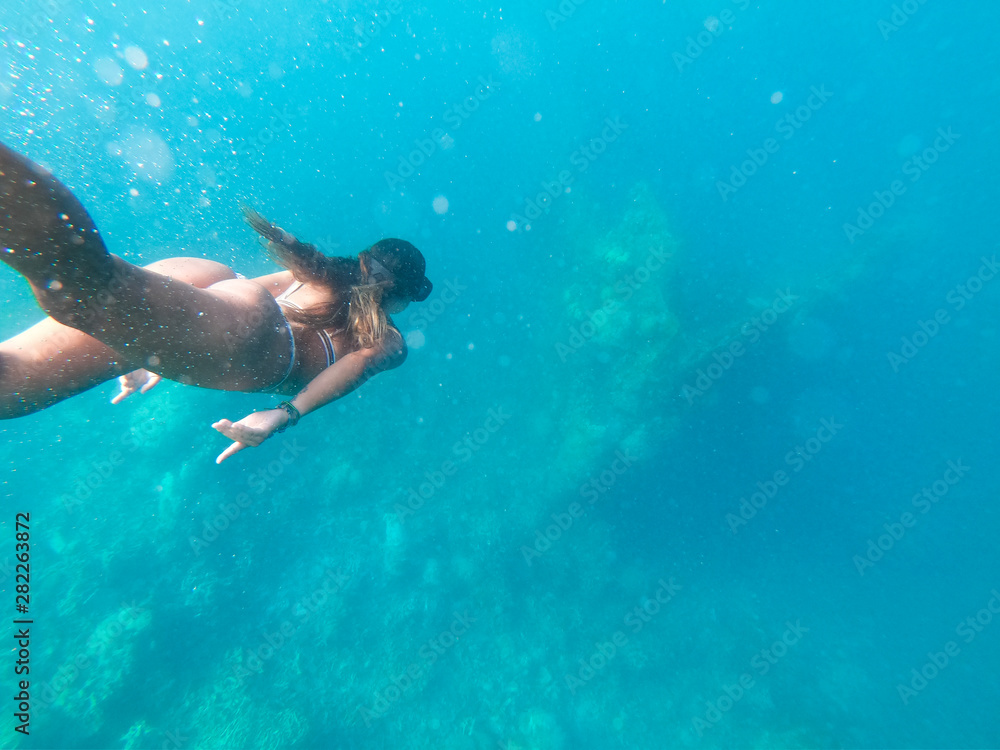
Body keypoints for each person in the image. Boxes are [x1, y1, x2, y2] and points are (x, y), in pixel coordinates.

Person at [0, 142, 432, 462]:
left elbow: (242, 292)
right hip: (251, 337)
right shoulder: (389, 339)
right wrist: (285, 413)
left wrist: (147, 353)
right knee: (81, 283)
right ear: (404, 297)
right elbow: (356, 366)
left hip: (216, 285)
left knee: (14, 379)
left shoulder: (318, 275)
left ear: (362, 261)